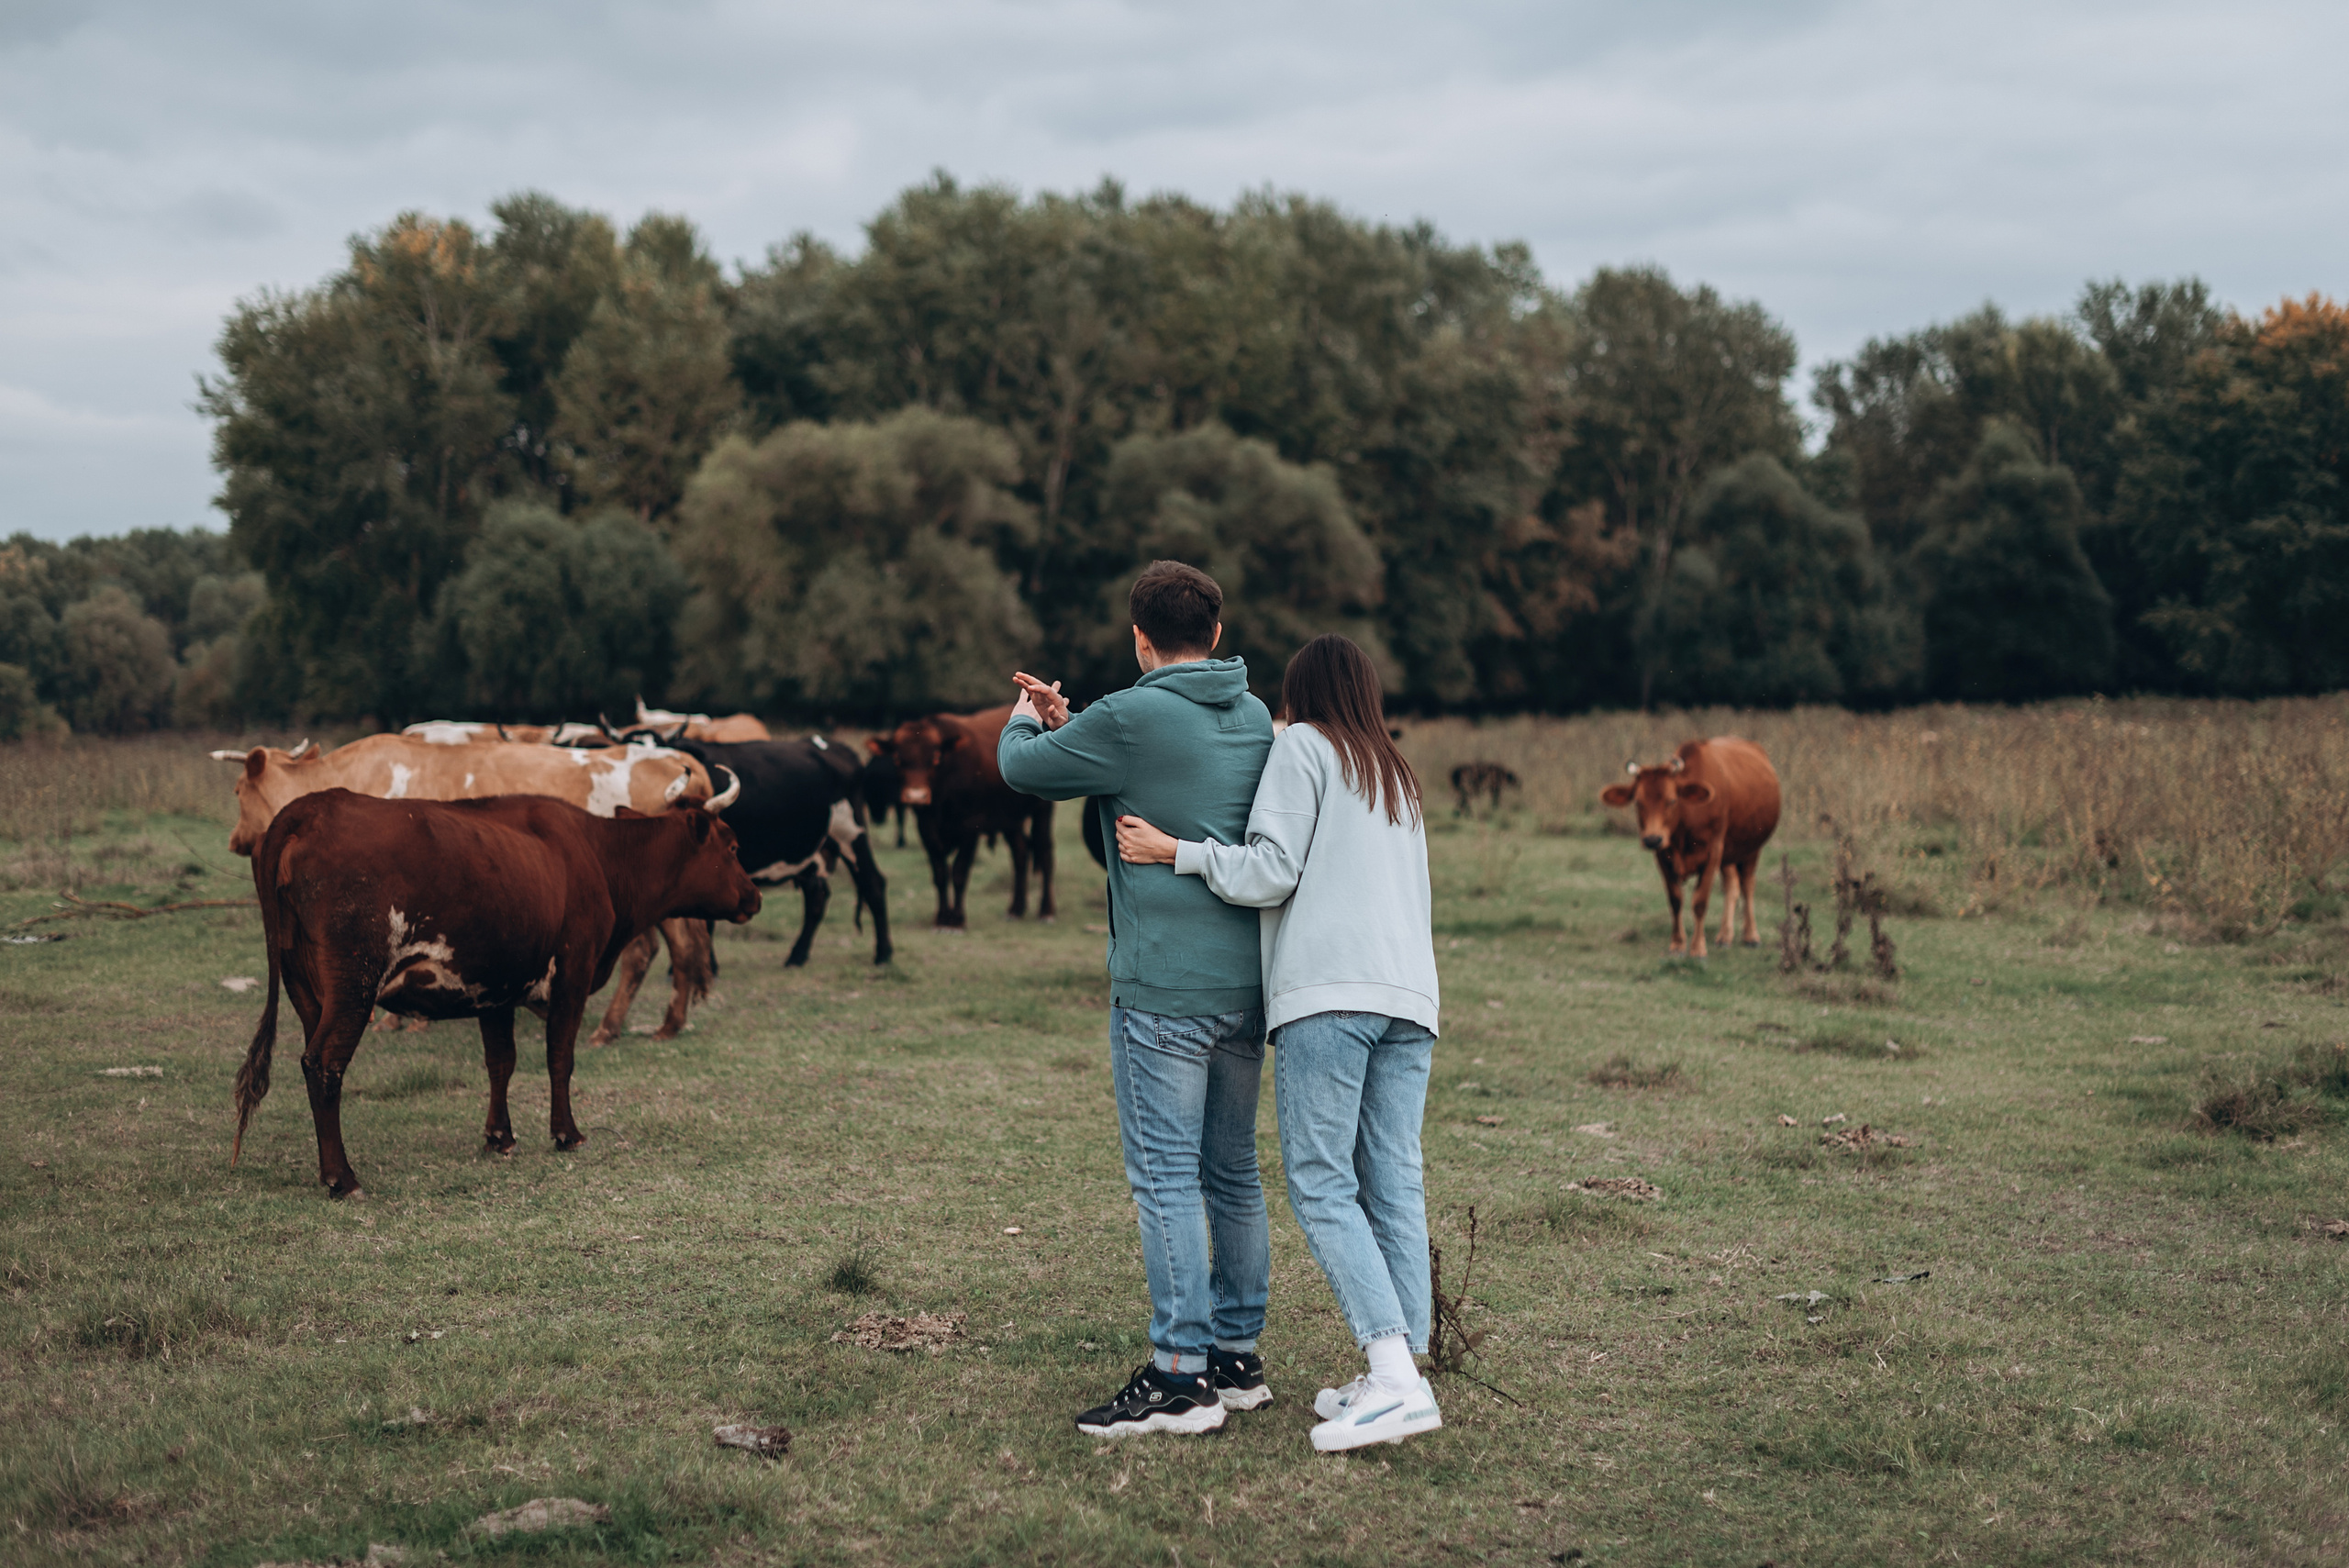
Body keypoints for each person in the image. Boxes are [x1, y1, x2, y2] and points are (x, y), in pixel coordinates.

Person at [1115, 633, 1443, 1452]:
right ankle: (1405, 1364)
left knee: (1323, 1185)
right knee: (1393, 1179)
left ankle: (1393, 1377)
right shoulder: (1394, 770)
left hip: (1330, 995)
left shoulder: (1302, 746)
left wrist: (1174, 850)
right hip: (1410, 998)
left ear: (1301, 692)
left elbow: (1272, 870)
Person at [998, 560, 1276, 1438]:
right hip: (1248, 986)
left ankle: (1178, 1377)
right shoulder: (1256, 713)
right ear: (1219, 634)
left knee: (1164, 1177)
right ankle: (1236, 1360)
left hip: (1163, 992)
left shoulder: (1131, 711)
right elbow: (1160, 763)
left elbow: (1021, 771)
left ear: (1138, 637)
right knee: (1232, 1172)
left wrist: (1025, 716)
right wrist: (1072, 723)